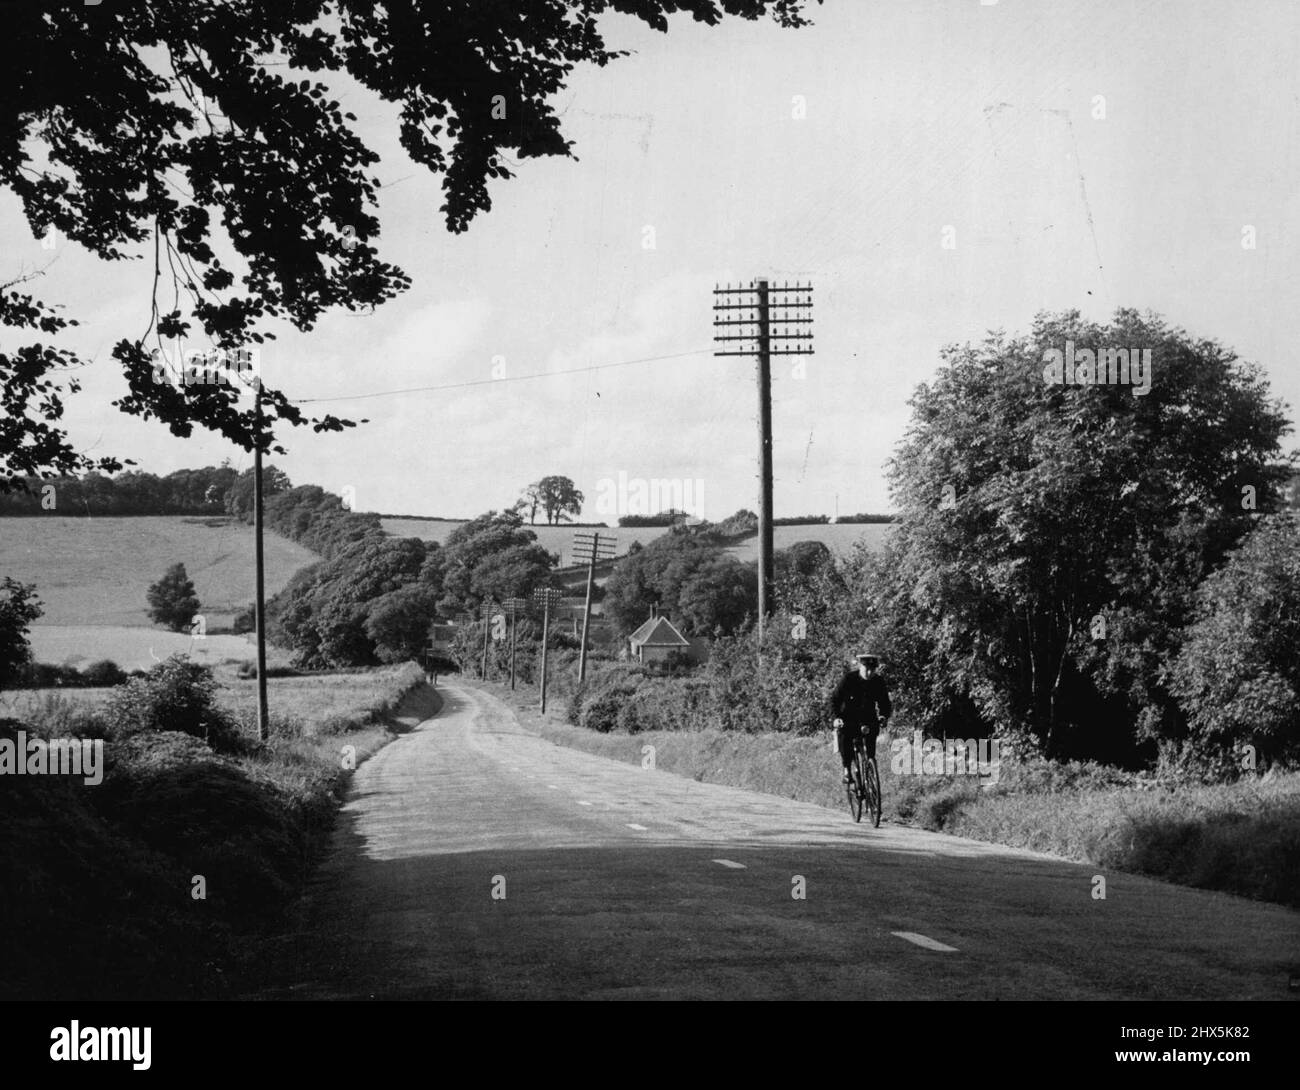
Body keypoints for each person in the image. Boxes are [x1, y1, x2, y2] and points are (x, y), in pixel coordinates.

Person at [830, 652, 892, 786]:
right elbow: (835, 699)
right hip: (848, 717)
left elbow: (884, 702)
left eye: (872, 669)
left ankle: (870, 768)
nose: (869, 672)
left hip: (868, 717)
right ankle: (847, 769)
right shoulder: (848, 679)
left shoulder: (878, 681)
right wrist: (836, 718)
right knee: (844, 735)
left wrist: (883, 716)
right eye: (866, 669)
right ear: (860, 666)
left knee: (870, 751)